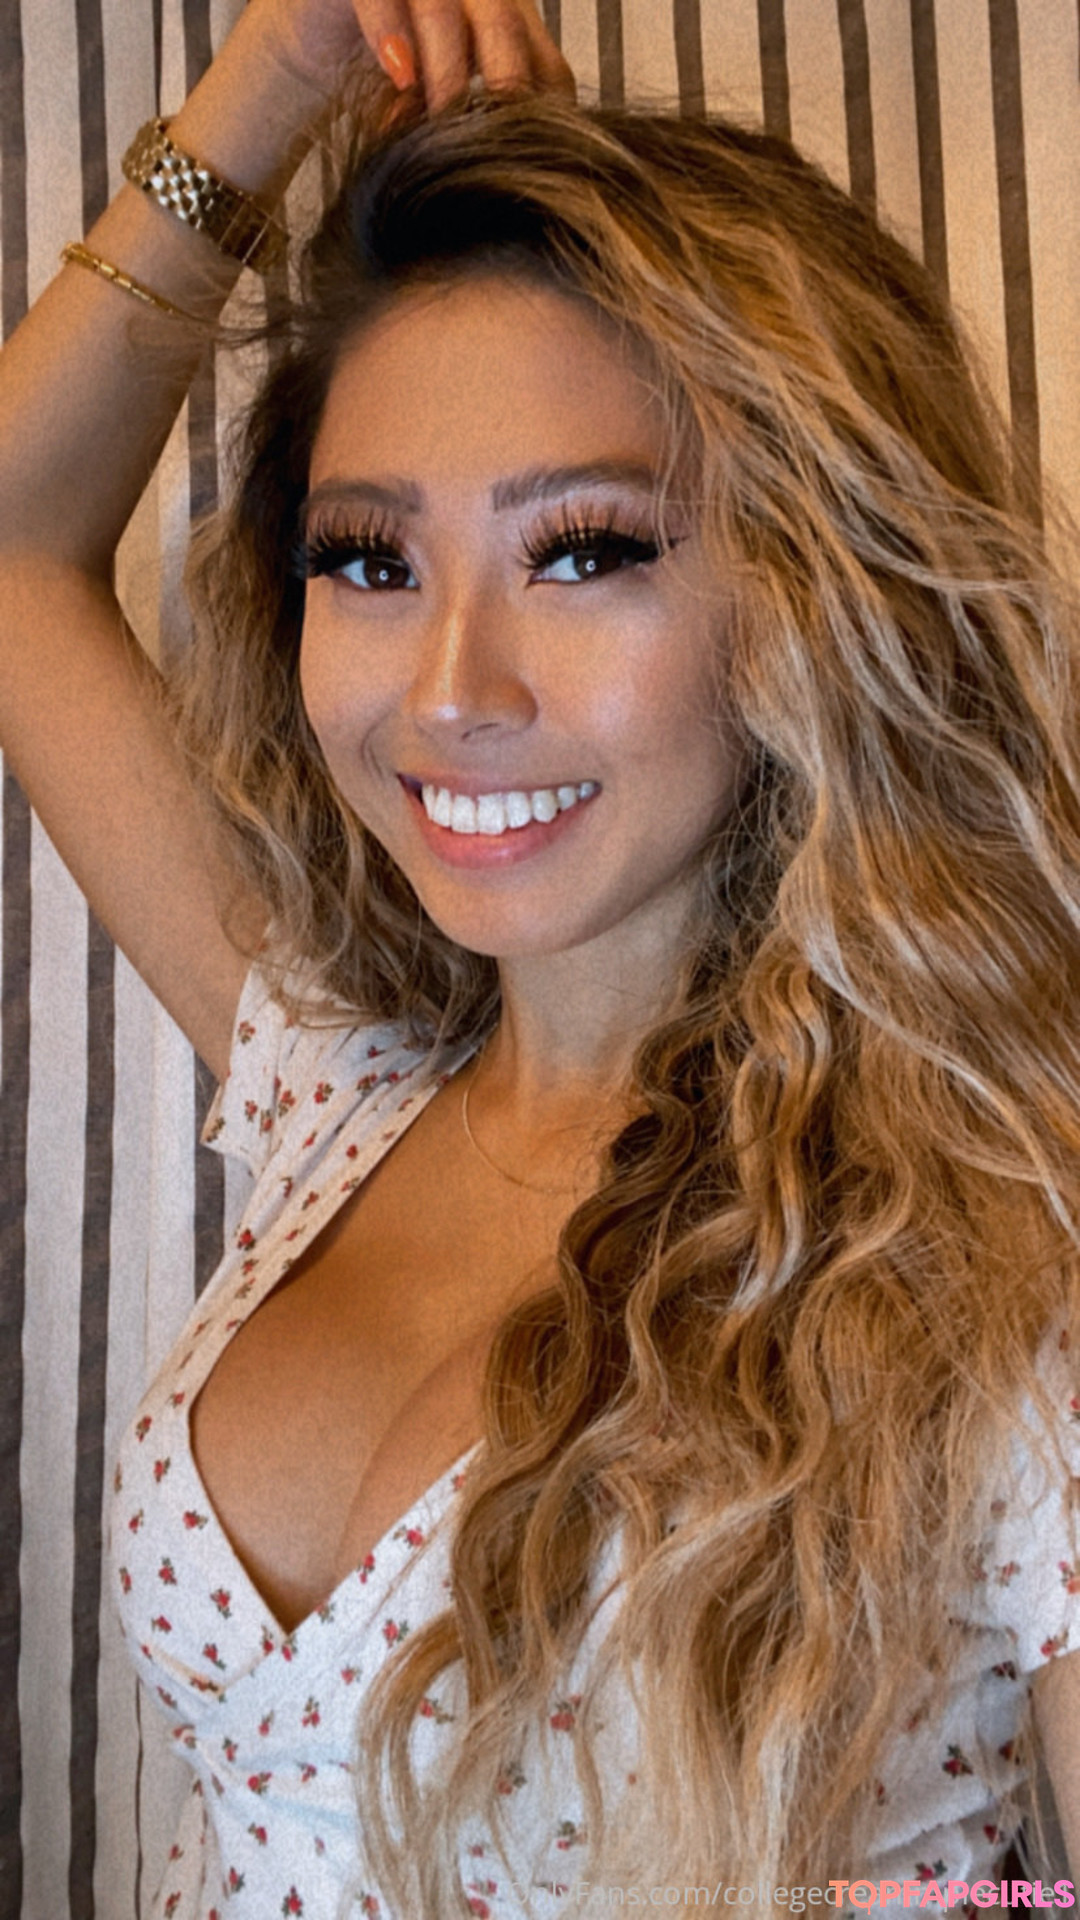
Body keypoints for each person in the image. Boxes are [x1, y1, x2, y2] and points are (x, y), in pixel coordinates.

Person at [1, 0, 1078, 1912]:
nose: (448, 692)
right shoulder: (338, 1082)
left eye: (581, 552)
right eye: (371, 559)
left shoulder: (1006, 1268)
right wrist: (279, 79)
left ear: (816, 587)